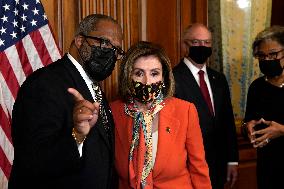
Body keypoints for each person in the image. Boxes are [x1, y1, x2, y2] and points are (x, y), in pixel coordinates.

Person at [8, 14, 124, 189]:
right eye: (105, 43)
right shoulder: (45, 83)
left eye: (117, 50)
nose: (111, 53)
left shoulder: (95, 89)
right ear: (79, 40)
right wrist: (77, 134)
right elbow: (34, 161)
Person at [110, 41, 211, 189]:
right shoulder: (113, 112)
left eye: (154, 73)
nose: (147, 81)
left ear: (164, 78)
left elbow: (199, 169)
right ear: (128, 76)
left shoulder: (185, 111)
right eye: (139, 73)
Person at [173, 23, 239, 189]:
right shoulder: (172, 79)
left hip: (218, 166)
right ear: (184, 45)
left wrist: (232, 160)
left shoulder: (219, 79)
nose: (202, 47)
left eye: (207, 42)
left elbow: (227, 122)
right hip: (187, 167)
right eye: (196, 42)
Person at [242, 25, 284, 189]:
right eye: (261, 56)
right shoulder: (256, 87)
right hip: (267, 168)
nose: (267, 60)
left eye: (273, 54)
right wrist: (248, 128)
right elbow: (247, 122)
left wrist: (281, 130)